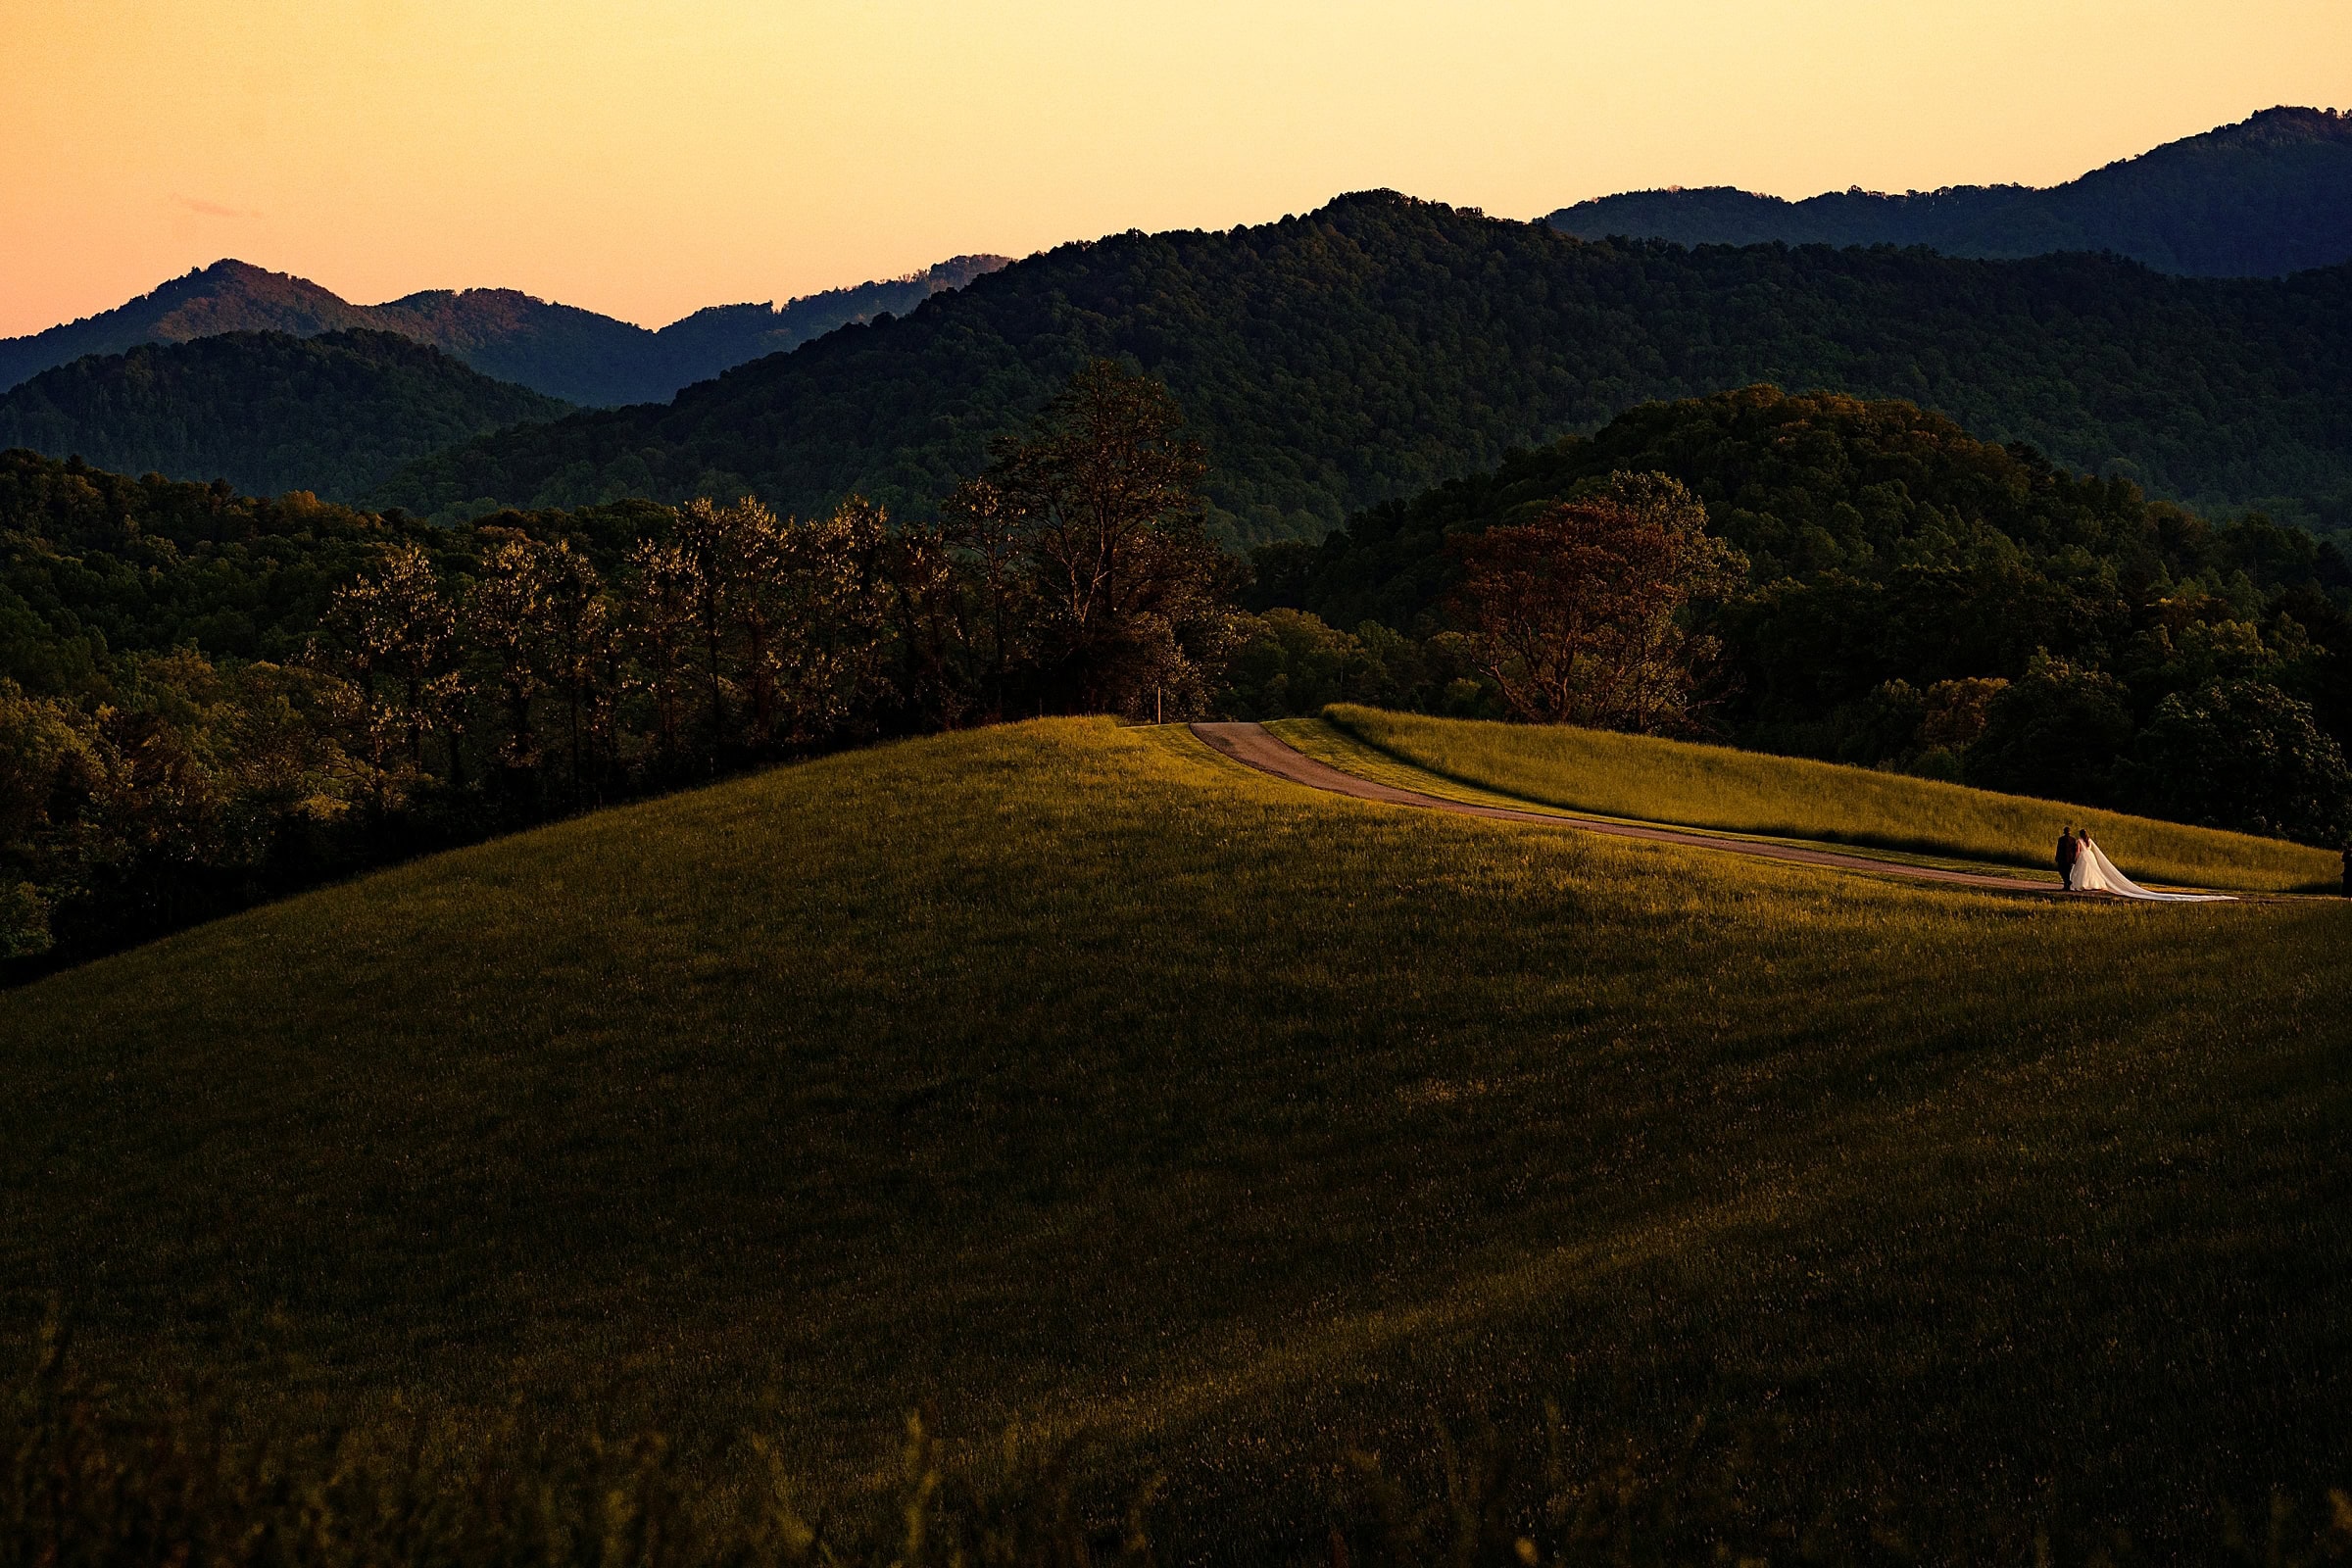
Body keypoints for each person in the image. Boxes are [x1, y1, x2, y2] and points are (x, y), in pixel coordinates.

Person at [2055, 826, 2080, 891]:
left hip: (2062, 858)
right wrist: (2074, 858)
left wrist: (2057, 857)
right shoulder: (2073, 839)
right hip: (2070, 858)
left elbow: (2059, 849)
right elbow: (2074, 850)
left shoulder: (2061, 839)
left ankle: (2067, 883)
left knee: (2062, 870)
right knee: (2067, 871)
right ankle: (2067, 883)